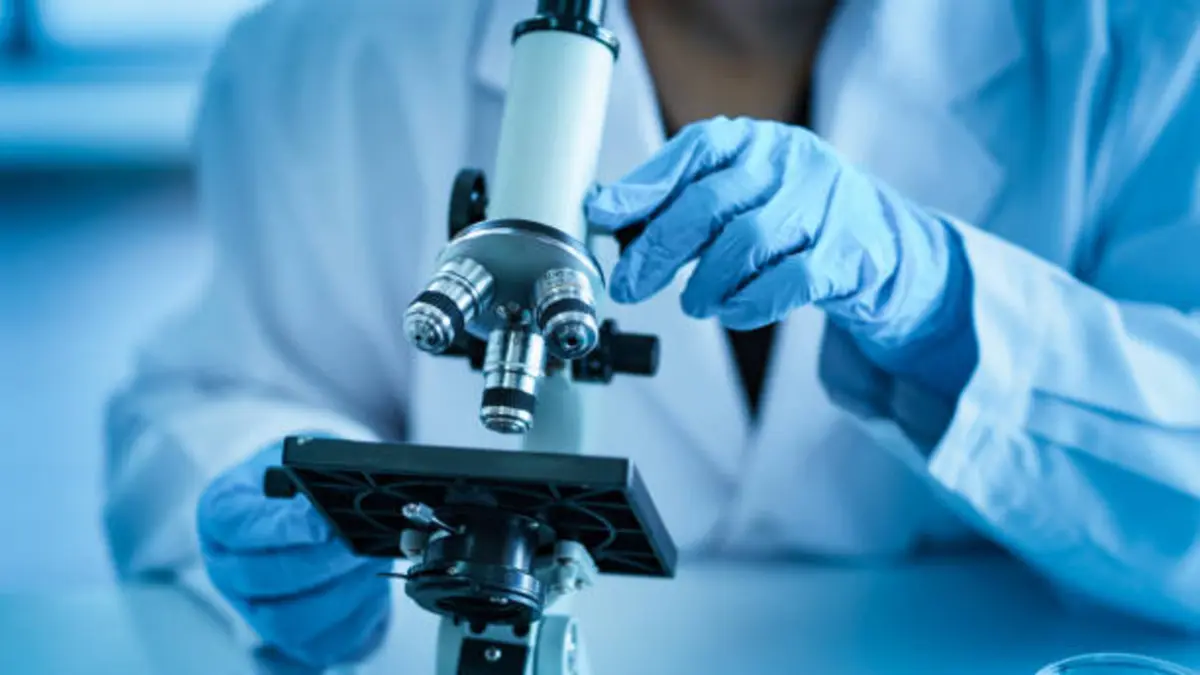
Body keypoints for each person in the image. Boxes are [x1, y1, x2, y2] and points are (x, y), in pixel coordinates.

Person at [103, 0, 1200, 668]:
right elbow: (214, 391)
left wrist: (944, 301)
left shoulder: (1142, 43)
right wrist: (275, 502)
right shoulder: (330, 49)